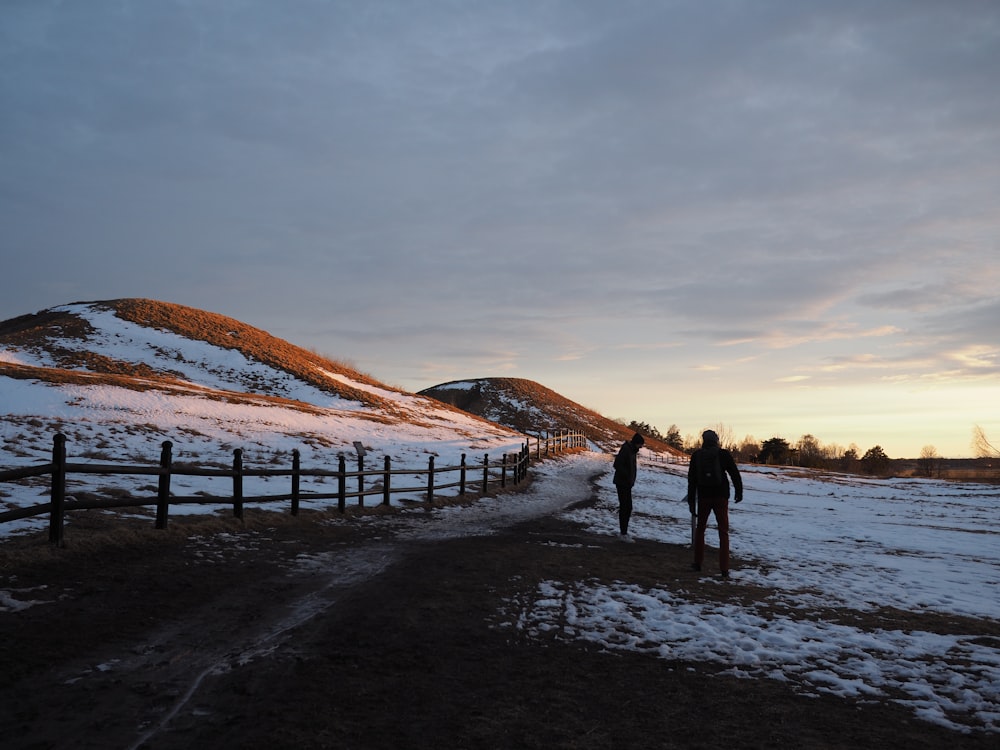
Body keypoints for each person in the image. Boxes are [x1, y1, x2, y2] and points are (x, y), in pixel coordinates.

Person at [687, 429, 743, 577]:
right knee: (723, 532)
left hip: (704, 496)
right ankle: (724, 568)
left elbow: (691, 480)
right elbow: (734, 473)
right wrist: (739, 491)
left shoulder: (697, 455)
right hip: (721, 497)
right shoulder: (723, 454)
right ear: (716, 440)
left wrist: (692, 502)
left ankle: (697, 563)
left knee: (700, 529)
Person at [612, 432, 644, 541]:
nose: (641, 447)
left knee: (626, 507)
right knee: (626, 507)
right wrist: (627, 476)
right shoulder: (626, 450)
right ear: (636, 443)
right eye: (640, 444)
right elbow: (617, 464)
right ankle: (623, 533)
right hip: (622, 483)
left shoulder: (631, 451)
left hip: (626, 483)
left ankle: (624, 532)